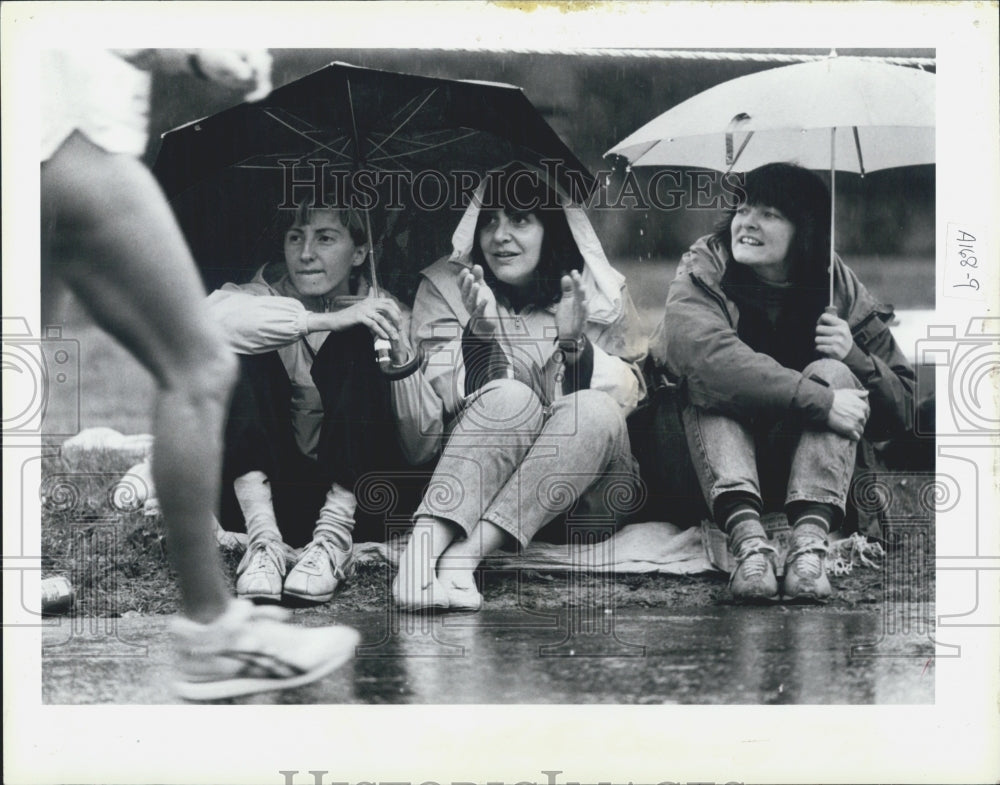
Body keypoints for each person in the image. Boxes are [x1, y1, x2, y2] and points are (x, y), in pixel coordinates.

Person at [40, 48, 359, 700]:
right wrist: (192, 49)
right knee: (200, 362)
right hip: (63, 132)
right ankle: (214, 633)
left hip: (53, 124)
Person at [649, 162, 915, 602]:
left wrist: (855, 358)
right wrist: (820, 401)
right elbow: (706, 360)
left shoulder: (836, 286)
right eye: (743, 208)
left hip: (802, 475)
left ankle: (809, 550)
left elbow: (903, 410)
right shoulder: (705, 267)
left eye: (770, 214)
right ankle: (750, 548)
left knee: (834, 373)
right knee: (717, 385)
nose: (747, 222)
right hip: (706, 473)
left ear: (804, 230)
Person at [393, 167, 648, 611]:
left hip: (582, 503)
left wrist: (574, 348)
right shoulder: (449, 289)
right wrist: (483, 337)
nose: (500, 236)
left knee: (595, 409)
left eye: (521, 219)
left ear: (552, 228)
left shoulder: (596, 291)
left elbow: (634, 398)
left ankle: (462, 560)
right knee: (510, 399)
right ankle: (419, 561)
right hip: (473, 492)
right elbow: (440, 405)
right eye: (489, 220)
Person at [206, 203, 438, 604]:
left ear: (361, 253)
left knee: (360, 338)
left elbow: (423, 448)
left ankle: (332, 542)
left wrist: (397, 356)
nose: (306, 253)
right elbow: (207, 324)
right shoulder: (253, 297)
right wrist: (324, 322)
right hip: (269, 499)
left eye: (325, 238)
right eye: (295, 237)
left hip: (362, 502)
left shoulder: (389, 310)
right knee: (242, 346)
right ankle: (264, 546)